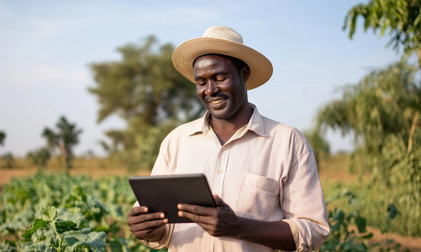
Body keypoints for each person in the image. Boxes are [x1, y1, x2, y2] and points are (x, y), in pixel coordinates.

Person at [127, 26, 330, 252]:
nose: (210, 90)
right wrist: (149, 228)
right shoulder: (177, 141)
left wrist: (237, 227)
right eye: (201, 82)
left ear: (244, 74)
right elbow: (162, 230)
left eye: (220, 77)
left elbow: (312, 230)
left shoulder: (287, 141)